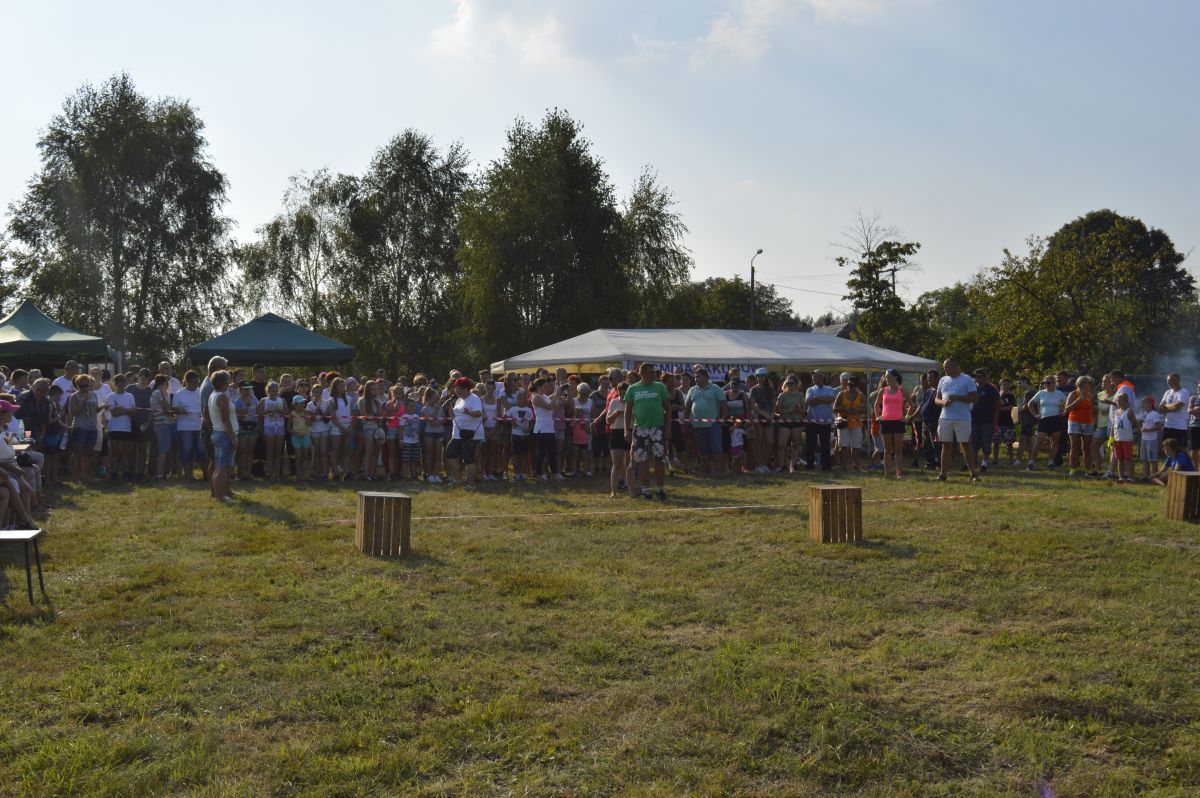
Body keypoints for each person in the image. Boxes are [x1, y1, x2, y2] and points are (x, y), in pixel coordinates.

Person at [624, 362, 671, 500]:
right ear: (642, 373)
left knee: (659, 459)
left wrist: (668, 427)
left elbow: (668, 408)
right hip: (640, 428)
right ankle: (646, 490)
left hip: (658, 428)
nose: (653, 374)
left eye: (654, 372)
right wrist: (626, 430)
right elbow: (627, 411)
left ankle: (660, 488)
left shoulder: (660, 387)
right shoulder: (632, 389)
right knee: (641, 460)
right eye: (650, 372)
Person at [935, 358, 980, 482]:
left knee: (965, 445)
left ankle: (973, 474)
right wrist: (943, 402)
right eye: (944, 366)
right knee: (946, 445)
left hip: (963, 418)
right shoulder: (943, 380)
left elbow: (975, 398)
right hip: (945, 417)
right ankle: (943, 474)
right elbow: (936, 399)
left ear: (955, 366)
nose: (945, 369)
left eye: (947, 366)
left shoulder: (967, 379)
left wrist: (957, 397)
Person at [686, 368, 726, 474]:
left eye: (698, 377)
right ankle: (706, 469)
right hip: (696, 425)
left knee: (716, 449)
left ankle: (718, 470)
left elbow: (723, 404)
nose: (695, 379)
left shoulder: (716, 388)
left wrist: (722, 417)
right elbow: (688, 406)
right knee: (702, 449)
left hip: (712, 425)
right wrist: (687, 420)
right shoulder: (692, 390)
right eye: (695, 377)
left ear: (705, 377)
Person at [874, 369, 912, 478]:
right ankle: (887, 473)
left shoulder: (901, 390)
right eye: (886, 377)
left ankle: (899, 473)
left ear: (895, 377)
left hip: (898, 422)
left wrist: (907, 417)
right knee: (887, 450)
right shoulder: (883, 390)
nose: (887, 379)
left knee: (898, 449)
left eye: (889, 377)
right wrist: (877, 416)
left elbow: (912, 404)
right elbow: (876, 405)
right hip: (885, 422)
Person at [207, 370, 238, 503]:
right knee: (222, 468)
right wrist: (233, 438)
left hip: (218, 433)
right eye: (228, 379)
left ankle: (222, 492)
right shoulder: (222, 397)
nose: (230, 381)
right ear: (224, 382)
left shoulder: (213, 394)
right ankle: (220, 496)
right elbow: (225, 420)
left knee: (221, 466)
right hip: (224, 434)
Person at [446, 376, 483, 485]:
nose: (456, 391)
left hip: (470, 433)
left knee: (469, 458)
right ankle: (458, 478)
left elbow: (479, 413)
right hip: (458, 433)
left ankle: (471, 484)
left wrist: (469, 412)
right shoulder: (459, 400)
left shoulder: (474, 399)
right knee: (450, 452)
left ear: (466, 389)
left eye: (458, 388)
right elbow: (455, 417)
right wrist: (449, 409)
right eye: (455, 388)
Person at [1026, 376, 1067, 471]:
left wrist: (1063, 412)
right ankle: (1031, 462)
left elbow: (1066, 405)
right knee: (1039, 440)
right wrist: (1035, 414)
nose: (1046, 385)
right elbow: (1030, 404)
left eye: (1048, 383)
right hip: (1043, 419)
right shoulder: (1041, 393)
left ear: (1054, 383)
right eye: (1045, 383)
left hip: (1055, 419)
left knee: (1055, 441)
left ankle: (1051, 463)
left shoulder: (1060, 394)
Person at [66, 373, 99, 484]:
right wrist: (83, 400)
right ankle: (75, 478)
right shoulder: (74, 396)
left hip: (92, 428)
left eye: (87, 385)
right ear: (77, 386)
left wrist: (102, 407)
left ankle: (86, 477)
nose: (85, 388)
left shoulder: (94, 395)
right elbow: (73, 412)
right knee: (78, 453)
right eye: (82, 386)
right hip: (80, 427)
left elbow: (94, 410)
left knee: (89, 453)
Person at [105, 373, 138, 481]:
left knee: (125, 452)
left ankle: (125, 473)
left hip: (126, 427)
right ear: (115, 384)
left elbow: (133, 412)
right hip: (114, 428)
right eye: (119, 382)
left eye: (123, 382)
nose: (121, 384)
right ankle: (113, 472)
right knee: (115, 452)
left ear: (125, 383)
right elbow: (114, 413)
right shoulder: (110, 396)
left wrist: (121, 410)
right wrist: (127, 410)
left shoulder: (130, 396)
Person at [531, 377, 562, 481]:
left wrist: (557, 395)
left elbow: (555, 407)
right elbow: (549, 407)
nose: (546, 388)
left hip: (549, 427)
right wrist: (556, 395)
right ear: (538, 387)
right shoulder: (536, 397)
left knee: (553, 452)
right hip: (542, 428)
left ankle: (555, 473)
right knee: (541, 453)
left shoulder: (544, 396)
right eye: (544, 386)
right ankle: (538, 474)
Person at [1063, 376, 1095, 477]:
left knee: (1087, 447)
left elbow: (1091, 409)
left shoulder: (1090, 395)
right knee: (1075, 446)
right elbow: (1066, 409)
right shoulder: (1073, 394)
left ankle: (1088, 470)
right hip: (1074, 422)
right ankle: (1073, 469)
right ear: (1082, 384)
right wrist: (1078, 400)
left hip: (1088, 422)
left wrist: (1093, 420)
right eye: (1088, 383)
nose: (1090, 386)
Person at [832, 376, 867, 471]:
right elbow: (834, 408)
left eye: (852, 385)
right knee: (843, 446)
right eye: (848, 384)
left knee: (856, 447)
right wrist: (844, 410)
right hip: (843, 423)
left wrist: (857, 410)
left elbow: (866, 409)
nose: (849, 386)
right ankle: (843, 466)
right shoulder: (841, 394)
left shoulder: (861, 395)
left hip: (856, 424)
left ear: (856, 386)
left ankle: (856, 466)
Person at [772, 376, 805, 474]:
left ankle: (792, 466)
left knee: (795, 445)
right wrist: (788, 411)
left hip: (796, 422)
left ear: (796, 384)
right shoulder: (782, 395)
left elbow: (804, 411)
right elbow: (777, 410)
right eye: (787, 383)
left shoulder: (800, 395)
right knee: (781, 445)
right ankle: (781, 466)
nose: (789, 385)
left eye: (791, 383)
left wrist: (799, 410)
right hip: (785, 422)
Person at [970, 368, 1000, 471]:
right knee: (973, 443)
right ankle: (973, 463)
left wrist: (991, 413)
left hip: (987, 421)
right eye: (975, 376)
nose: (976, 378)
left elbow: (998, 404)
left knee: (986, 443)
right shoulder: (972, 388)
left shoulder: (991, 388)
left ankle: (985, 463)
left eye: (979, 376)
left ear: (984, 377)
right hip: (973, 420)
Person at [259, 381, 287, 481]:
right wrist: (267, 412)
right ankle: (270, 474)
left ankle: (277, 474)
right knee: (270, 452)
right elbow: (259, 414)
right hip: (268, 427)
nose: (274, 393)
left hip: (280, 427)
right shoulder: (264, 400)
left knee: (278, 452)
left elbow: (287, 413)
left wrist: (282, 412)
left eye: (276, 391)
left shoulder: (282, 400)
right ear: (268, 391)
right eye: (272, 391)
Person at [149, 375, 175, 480]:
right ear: (163, 383)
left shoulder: (161, 393)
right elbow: (167, 408)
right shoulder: (158, 393)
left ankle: (163, 472)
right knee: (163, 450)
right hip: (161, 424)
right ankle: (160, 474)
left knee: (164, 449)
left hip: (164, 424)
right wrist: (178, 410)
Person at [506, 390, 534, 482]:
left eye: (522, 398)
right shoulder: (513, 409)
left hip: (526, 435)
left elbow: (532, 422)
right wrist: (511, 422)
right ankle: (517, 474)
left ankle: (523, 473)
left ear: (525, 399)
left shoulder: (529, 410)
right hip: (515, 435)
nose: (520, 400)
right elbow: (505, 417)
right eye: (518, 398)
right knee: (516, 455)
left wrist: (529, 429)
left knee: (525, 455)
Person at [234, 381, 259, 481]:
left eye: (249, 389)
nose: (248, 391)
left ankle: (248, 473)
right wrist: (247, 405)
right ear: (240, 390)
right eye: (245, 389)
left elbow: (258, 412)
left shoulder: (255, 399)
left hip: (253, 427)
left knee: (250, 451)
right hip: (242, 427)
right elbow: (240, 417)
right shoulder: (237, 401)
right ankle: (241, 473)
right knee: (242, 452)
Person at [1110, 392, 1137, 484]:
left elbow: (1135, 424)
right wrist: (1111, 438)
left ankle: (1130, 477)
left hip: (1127, 439)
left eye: (1120, 400)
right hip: (1117, 439)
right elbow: (1113, 426)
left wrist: (1132, 433)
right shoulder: (1115, 412)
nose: (1118, 402)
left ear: (1126, 401)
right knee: (1120, 458)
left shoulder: (1129, 411)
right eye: (1117, 400)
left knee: (1128, 458)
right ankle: (1121, 476)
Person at [1090, 374, 1113, 477]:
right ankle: (1098, 470)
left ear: (1111, 383)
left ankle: (1112, 471)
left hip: (1111, 426)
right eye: (1103, 381)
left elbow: (1105, 410)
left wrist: (1099, 408)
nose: (1104, 383)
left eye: (1106, 381)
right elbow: (1096, 409)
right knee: (1093, 447)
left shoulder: (1116, 395)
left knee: (1113, 450)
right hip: (1101, 426)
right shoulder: (1099, 394)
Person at [1159, 373, 1190, 450]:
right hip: (1168, 425)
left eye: (1170, 380)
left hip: (1179, 426)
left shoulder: (1184, 392)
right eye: (1167, 380)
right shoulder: (1167, 392)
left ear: (1177, 381)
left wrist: (1166, 405)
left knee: (1179, 450)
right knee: (1166, 449)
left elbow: (1178, 407)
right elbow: (1161, 407)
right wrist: (1172, 406)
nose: (1168, 382)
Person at [994, 378, 1017, 466]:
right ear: (1000, 386)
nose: (1006, 386)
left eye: (1007, 384)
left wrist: (1000, 409)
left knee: (1009, 443)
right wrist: (1000, 395)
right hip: (998, 422)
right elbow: (995, 406)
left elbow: (1010, 407)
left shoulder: (1011, 396)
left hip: (1008, 422)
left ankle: (1011, 460)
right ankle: (995, 460)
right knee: (996, 442)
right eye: (1004, 384)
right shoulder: (996, 395)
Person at [1139, 396, 1162, 481]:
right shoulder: (1145, 413)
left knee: (1152, 459)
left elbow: (1159, 426)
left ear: (1150, 403)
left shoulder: (1154, 414)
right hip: (1144, 439)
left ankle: (1154, 476)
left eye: (1145, 403)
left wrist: (1148, 430)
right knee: (1145, 459)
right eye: (1143, 403)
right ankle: (1146, 475)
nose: (1143, 405)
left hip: (1152, 439)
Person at [289, 395, 312, 480]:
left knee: (305, 456)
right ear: (295, 404)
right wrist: (296, 434)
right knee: (298, 456)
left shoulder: (307, 412)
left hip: (306, 436)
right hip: (296, 437)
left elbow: (309, 424)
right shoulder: (292, 414)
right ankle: (298, 475)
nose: (302, 405)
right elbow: (288, 428)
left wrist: (306, 417)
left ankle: (305, 474)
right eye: (300, 403)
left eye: (303, 403)